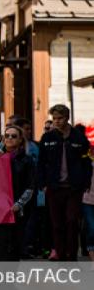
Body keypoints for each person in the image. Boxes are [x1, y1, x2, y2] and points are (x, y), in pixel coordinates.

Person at [37, 104, 93, 261]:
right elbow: (41, 163)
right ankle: (60, 253)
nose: (56, 122)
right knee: (57, 223)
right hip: (54, 188)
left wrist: (85, 182)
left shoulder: (78, 138)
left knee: (71, 220)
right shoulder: (48, 138)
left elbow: (86, 161)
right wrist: (43, 184)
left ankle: (71, 254)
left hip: (74, 187)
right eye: (54, 119)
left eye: (60, 118)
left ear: (67, 118)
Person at [0, 125, 35, 261]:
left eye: (14, 136)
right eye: (7, 136)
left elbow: (30, 186)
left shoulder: (27, 160)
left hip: (18, 210)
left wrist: (19, 204)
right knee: (0, 246)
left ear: (20, 140)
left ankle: (11, 280)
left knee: (15, 246)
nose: (10, 138)